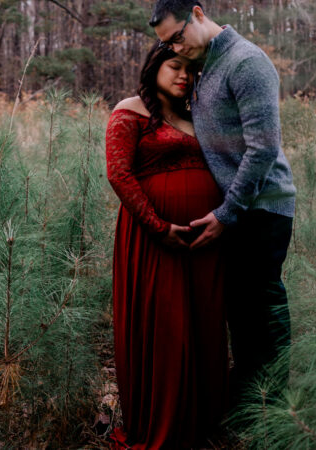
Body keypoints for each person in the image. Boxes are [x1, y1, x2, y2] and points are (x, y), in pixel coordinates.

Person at [149, 0, 296, 405]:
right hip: (235, 210)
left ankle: (273, 410)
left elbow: (263, 148)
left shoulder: (246, 62)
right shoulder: (203, 66)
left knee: (262, 308)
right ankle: (249, 399)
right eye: (166, 45)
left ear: (198, 13)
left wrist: (228, 213)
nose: (174, 48)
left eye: (177, 37)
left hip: (262, 208)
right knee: (240, 312)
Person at [105, 41, 229, 449]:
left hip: (206, 241)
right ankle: (162, 426)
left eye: (192, 71)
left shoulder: (198, 117)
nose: (184, 76)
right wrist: (160, 228)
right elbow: (119, 175)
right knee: (167, 331)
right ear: (155, 66)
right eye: (176, 67)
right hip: (155, 240)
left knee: (205, 326)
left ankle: (202, 423)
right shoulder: (130, 110)